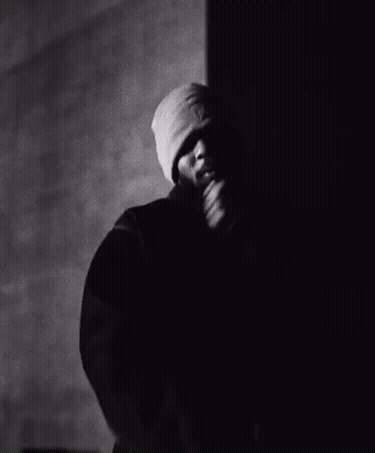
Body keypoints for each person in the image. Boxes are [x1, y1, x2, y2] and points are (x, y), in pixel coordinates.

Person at [79, 83, 266, 452]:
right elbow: (106, 351)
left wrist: (239, 241)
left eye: (211, 135)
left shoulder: (253, 231)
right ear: (173, 159)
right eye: (189, 142)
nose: (204, 151)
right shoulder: (141, 230)